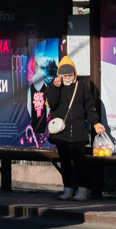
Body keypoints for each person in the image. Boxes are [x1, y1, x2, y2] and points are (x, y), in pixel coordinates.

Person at [45, 56, 106, 201]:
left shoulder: (82, 87)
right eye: (64, 75)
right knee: (65, 163)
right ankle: (67, 189)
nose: (67, 78)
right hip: (61, 133)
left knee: (80, 162)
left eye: (69, 75)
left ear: (75, 74)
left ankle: (82, 190)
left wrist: (96, 123)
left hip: (79, 131)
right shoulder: (53, 87)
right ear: (59, 75)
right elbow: (52, 104)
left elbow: (89, 109)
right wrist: (55, 87)